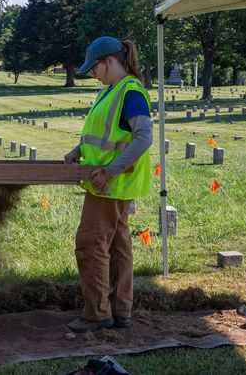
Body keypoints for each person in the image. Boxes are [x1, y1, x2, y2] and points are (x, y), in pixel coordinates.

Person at [64, 37, 153, 333]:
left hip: (109, 185)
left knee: (90, 245)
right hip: (107, 183)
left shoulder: (130, 92)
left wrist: (112, 171)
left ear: (109, 61)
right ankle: (119, 311)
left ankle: (98, 314)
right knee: (117, 247)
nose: (93, 74)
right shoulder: (110, 92)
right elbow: (102, 133)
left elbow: (143, 137)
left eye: (94, 68)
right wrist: (78, 151)